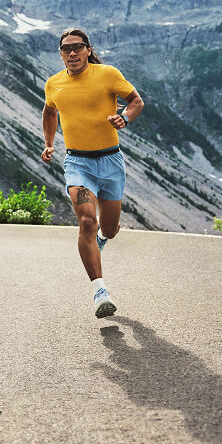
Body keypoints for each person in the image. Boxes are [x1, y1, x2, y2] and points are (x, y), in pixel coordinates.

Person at [41, 28, 144, 318]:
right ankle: (100, 291)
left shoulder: (107, 74)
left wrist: (125, 118)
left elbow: (136, 101)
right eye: (66, 49)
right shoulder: (54, 84)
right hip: (78, 163)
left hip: (111, 162)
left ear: (88, 49)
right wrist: (49, 143)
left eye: (78, 47)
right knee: (87, 221)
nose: (72, 53)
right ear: (61, 54)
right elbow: (49, 112)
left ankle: (101, 237)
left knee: (109, 229)